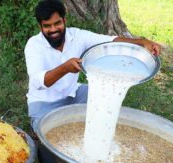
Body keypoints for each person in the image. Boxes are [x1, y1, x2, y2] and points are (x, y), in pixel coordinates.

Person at [25, 0, 161, 132]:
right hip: (44, 103)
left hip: (72, 94)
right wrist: (65, 68)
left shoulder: (77, 36)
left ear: (64, 21)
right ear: (40, 27)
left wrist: (141, 42)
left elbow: (109, 41)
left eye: (57, 23)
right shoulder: (34, 45)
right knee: (47, 133)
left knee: (105, 91)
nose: (53, 29)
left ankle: (100, 127)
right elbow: (39, 82)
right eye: (47, 26)